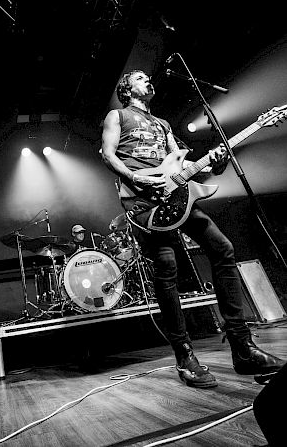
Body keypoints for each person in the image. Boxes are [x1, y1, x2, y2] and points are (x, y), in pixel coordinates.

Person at [101, 70, 285, 388]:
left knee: (223, 248)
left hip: (179, 197)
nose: (149, 80)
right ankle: (184, 355)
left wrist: (213, 161)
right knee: (167, 269)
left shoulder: (164, 125)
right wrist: (136, 178)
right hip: (144, 204)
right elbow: (107, 154)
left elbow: (184, 164)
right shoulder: (117, 116)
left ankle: (242, 348)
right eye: (141, 78)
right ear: (127, 88)